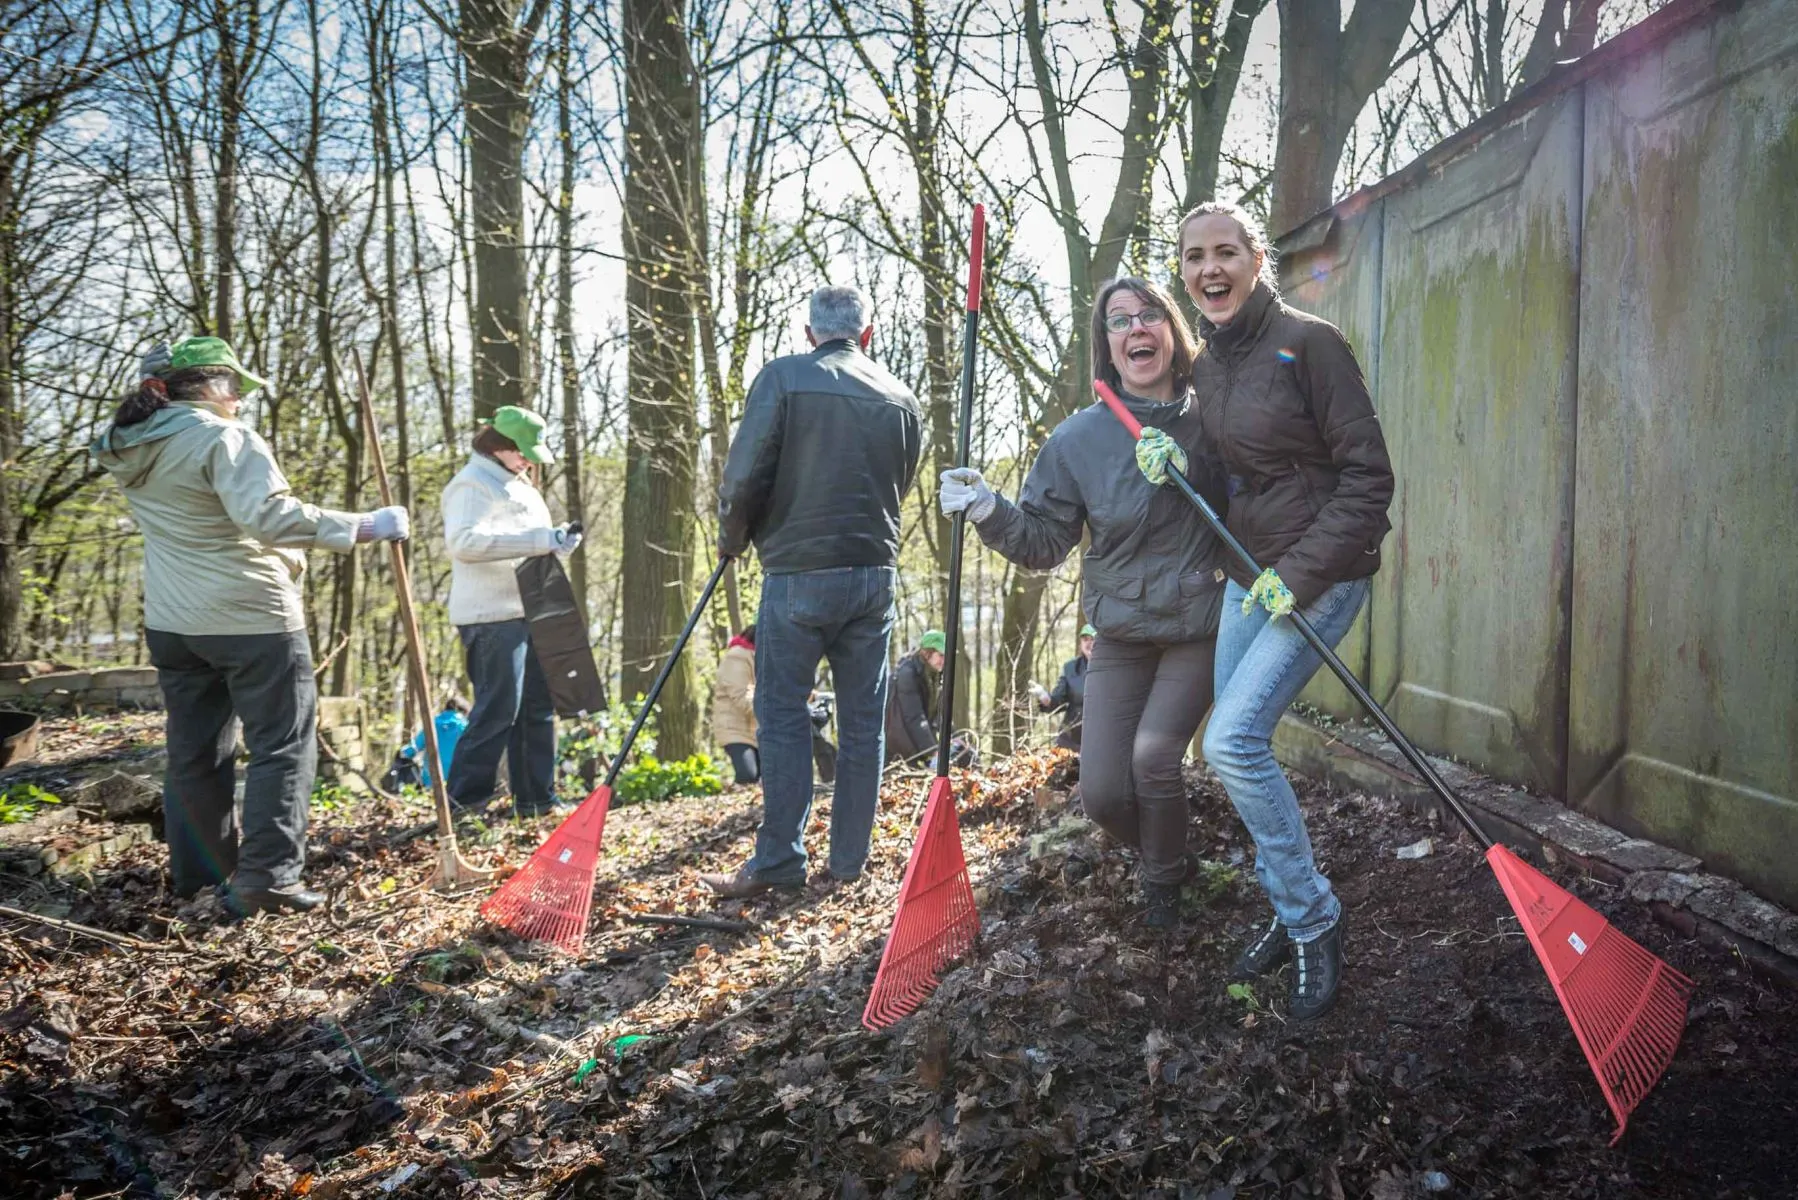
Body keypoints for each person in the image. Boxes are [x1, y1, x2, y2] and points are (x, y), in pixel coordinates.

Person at [939, 277, 1229, 928]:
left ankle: (1164, 897)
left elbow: (1252, 501)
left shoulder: (1214, 414)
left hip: (1200, 623)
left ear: (1172, 328)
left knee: (1154, 758)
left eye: (1149, 315)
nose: (1136, 328)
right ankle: (1175, 857)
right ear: (1107, 343)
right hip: (1122, 630)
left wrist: (1194, 466)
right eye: (1119, 321)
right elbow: (1044, 542)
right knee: (1102, 795)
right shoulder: (1078, 441)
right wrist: (987, 508)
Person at [91, 336, 410, 915]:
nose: (239, 397)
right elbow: (270, 517)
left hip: (173, 621)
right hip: (251, 616)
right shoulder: (223, 437)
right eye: (231, 385)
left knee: (195, 752)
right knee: (282, 747)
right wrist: (368, 525)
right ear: (196, 388)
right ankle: (268, 879)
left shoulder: (127, 444)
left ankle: (199, 877)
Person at [1178, 201, 1395, 1020]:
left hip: (1320, 575)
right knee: (1232, 748)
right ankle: (1287, 897)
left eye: (1225, 252)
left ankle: (1313, 919)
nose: (1210, 269)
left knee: (1232, 742)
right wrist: (1176, 463)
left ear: (1256, 259)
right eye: (1194, 257)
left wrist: (1298, 576)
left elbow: (1369, 480)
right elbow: (1231, 479)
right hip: (1248, 576)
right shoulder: (1207, 366)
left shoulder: (1311, 343)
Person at [702, 284, 923, 897]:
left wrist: (732, 538)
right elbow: (900, 483)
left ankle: (780, 861)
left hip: (798, 572)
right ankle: (849, 859)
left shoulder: (783, 377)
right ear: (867, 334)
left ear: (809, 333)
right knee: (862, 724)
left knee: (781, 715)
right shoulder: (902, 398)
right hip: (874, 573)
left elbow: (744, 474)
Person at [441, 406, 582, 819]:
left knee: (537, 708)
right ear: (498, 445)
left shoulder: (519, 484)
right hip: (491, 616)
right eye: (522, 452)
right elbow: (464, 543)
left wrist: (557, 544)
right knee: (498, 709)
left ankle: (537, 800)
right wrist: (541, 539)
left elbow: (528, 542)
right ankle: (464, 805)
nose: (528, 461)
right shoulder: (472, 484)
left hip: (531, 609)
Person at [884, 631, 945, 766]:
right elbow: (914, 717)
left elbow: (938, 716)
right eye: (941, 655)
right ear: (926, 653)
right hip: (898, 747)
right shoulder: (907, 674)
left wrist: (955, 738)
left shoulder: (935, 675)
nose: (944, 660)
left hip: (914, 742)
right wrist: (932, 751)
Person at [1031, 624, 1095, 751]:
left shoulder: (1114, 669)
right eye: (1085, 639)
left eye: (1093, 639)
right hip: (1070, 741)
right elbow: (1056, 702)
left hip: (1101, 741)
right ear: (1080, 644)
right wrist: (1044, 697)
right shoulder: (1071, 668)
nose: (1089, 643)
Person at [714, 625, 760, 785]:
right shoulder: (737, 657)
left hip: (755, 728)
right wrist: (771, 711)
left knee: (765, 776)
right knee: (748, 774)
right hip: (735, 728)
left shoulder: (759, 657)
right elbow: (741, 696)